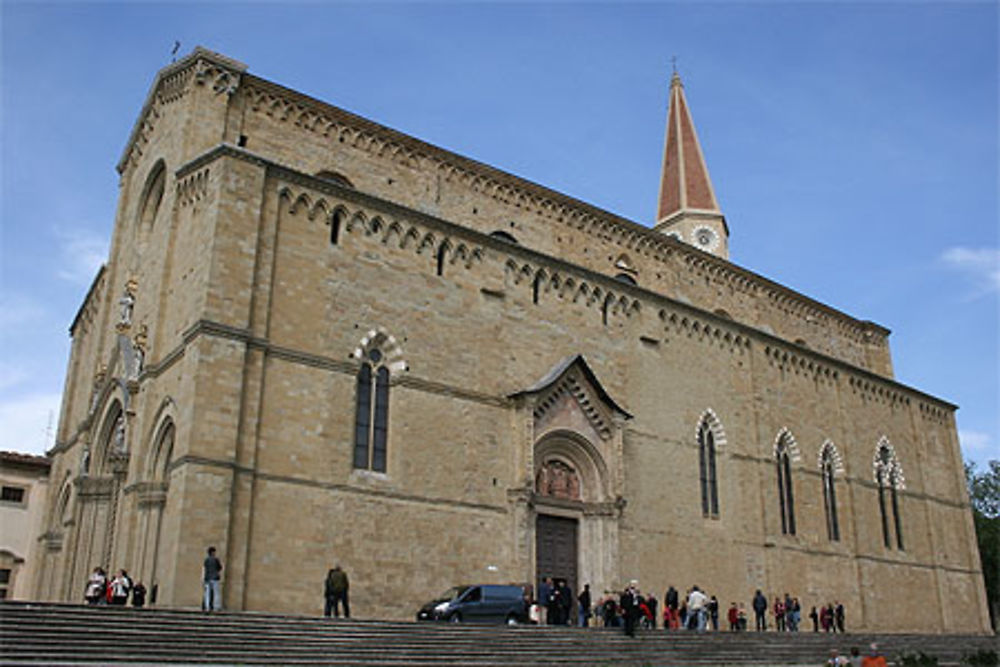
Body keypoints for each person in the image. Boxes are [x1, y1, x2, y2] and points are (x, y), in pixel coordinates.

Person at [203, 546, 223, 611]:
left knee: (207, 593)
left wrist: (205, 578)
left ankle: (207, 606)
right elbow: (220, 567)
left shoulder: (206, 560)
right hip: (215, 578)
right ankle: (216, 606)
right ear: (212, 552)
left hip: (208, 578)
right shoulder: (216, 559)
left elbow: (205, 569)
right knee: (216, 593)